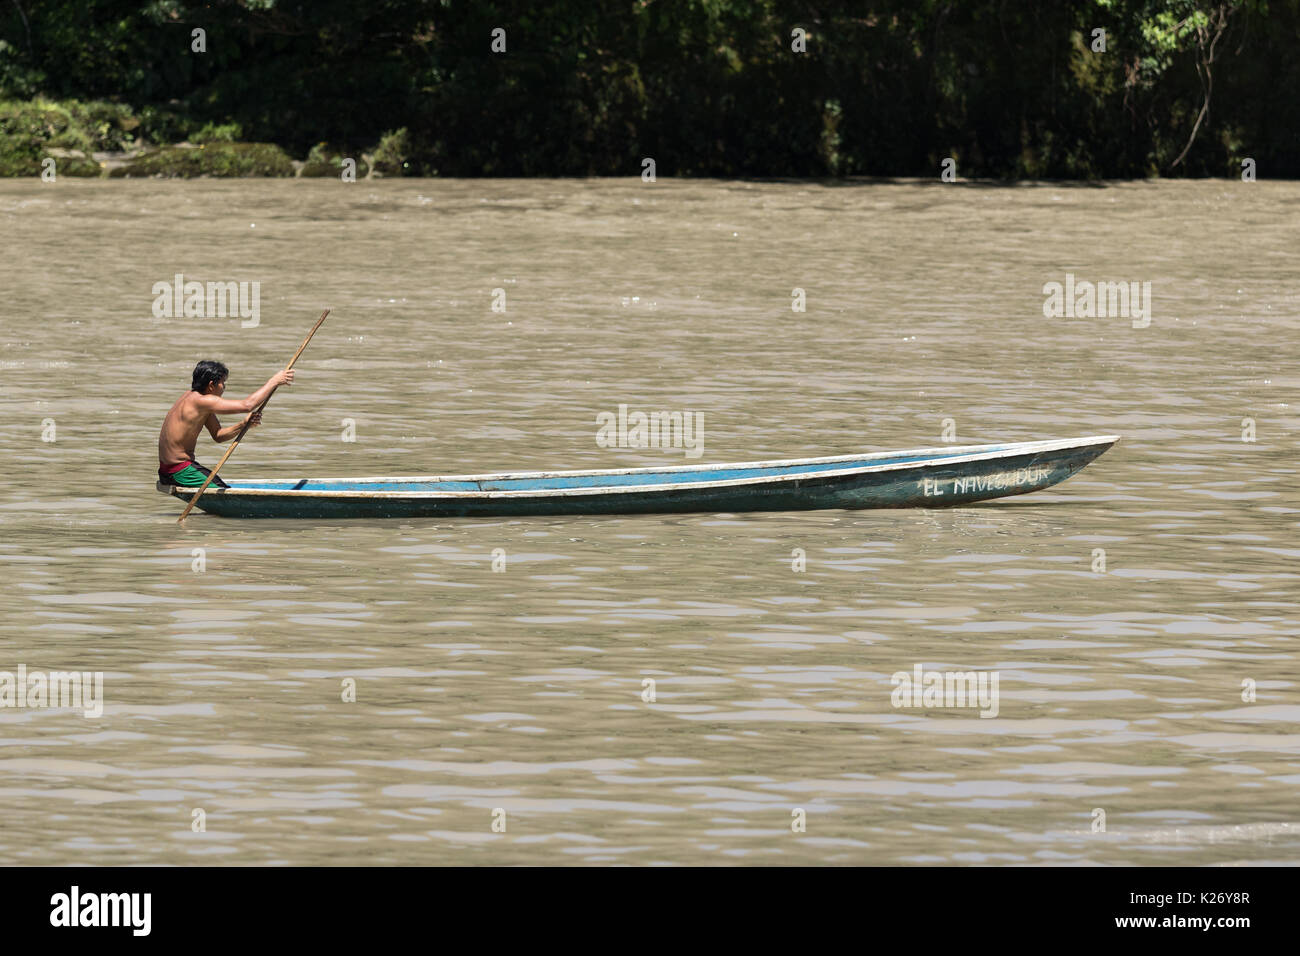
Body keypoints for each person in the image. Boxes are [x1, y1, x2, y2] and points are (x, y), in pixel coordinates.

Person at [158, 360, 294, 487]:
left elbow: (218, 435)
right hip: (180, 471)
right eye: (222, 383)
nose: (224, 387)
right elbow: (247, 405)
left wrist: (243, 424)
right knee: (222, 490)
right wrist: (274, 381)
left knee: (219, 485)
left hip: (169, 470)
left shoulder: (190, 398)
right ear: (211, 385)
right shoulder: (201, 401)